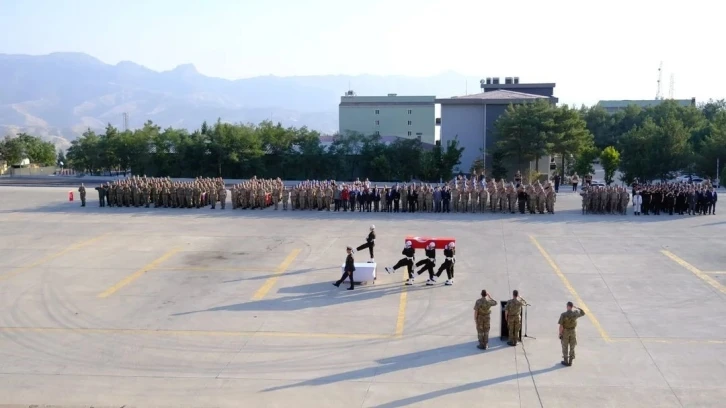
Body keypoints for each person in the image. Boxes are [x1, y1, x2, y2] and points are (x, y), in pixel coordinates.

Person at [558, 301, 586, 366]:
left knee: (565, 346)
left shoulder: (563, 315)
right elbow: (583, 313)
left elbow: (561, 326)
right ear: (572, 307)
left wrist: (560, 334)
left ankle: (566, 361)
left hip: (565, 332)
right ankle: (570, 361)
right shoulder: (575, 313)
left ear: (567, 306)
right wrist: (577, 307)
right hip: (573, 332)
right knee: (572, 346)